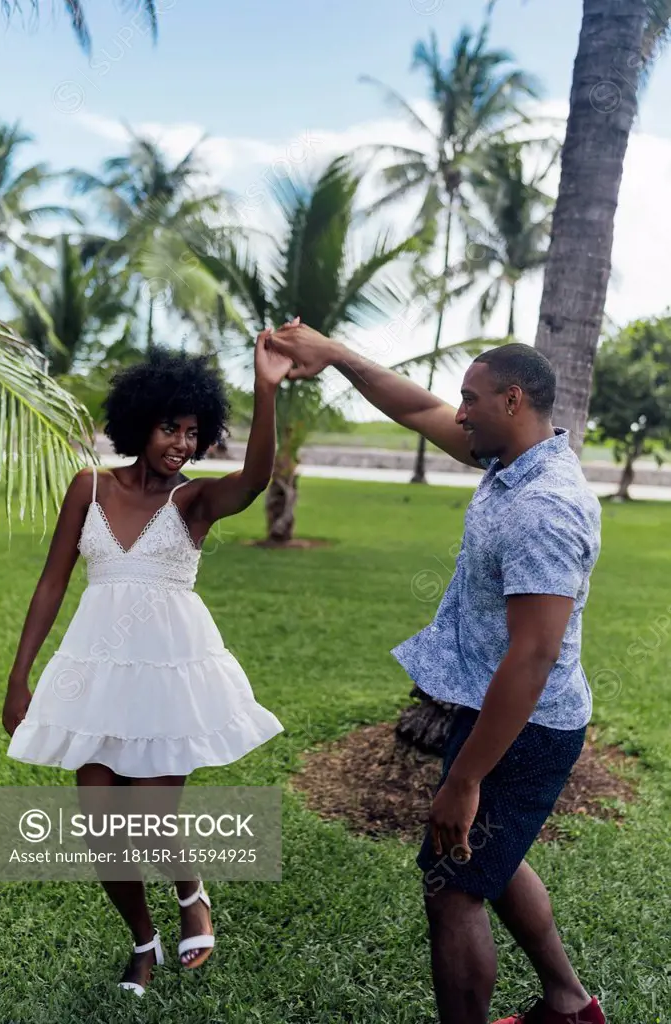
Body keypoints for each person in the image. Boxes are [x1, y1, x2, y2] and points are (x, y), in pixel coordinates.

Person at [268, 322, 606, 1024]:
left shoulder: (546, 507)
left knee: (452, 887)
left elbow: (533, 656)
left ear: (513, 401)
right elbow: (417, 410)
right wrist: (333, 354)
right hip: (501, 713)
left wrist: (465, 779)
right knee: (493, 858)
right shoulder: (512, 465)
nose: (456, 412)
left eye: (470, 398)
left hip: (525, 726)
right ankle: (570, 1005)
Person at [2, 331, 293, 997]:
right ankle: (143, 940)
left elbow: (254, 479)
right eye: (171, 428)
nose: (183, 444)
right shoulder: (90, 488)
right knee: (102, 826)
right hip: (96, 671)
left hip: (168, 670)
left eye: (194, 432)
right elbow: (51, 585)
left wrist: (267, 389)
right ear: (140, 422)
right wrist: (19, 679)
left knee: (154, 816)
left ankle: (192, 890)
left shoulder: (192, 502)